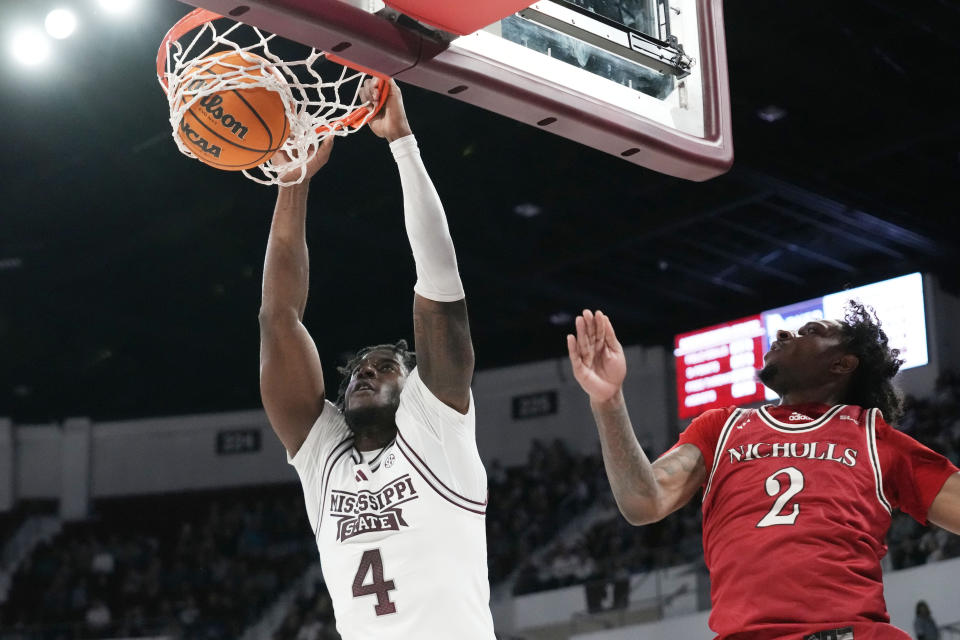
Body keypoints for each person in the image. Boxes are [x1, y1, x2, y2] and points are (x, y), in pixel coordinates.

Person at [259, 79, 495, 639]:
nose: (366, 370)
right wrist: (293, 180)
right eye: (360, 368)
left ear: (415, 388)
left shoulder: (437, 430)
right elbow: (279, 316)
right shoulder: (324, 456)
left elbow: (440, 284)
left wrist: (403, 144)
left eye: (386, 365)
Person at [566, 305, 960, 640]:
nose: (787, 331)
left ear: (842, 363)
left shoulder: (874, 438)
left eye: (812, 332)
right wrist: (609, 401)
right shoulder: (721, 427)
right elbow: (643, 501)